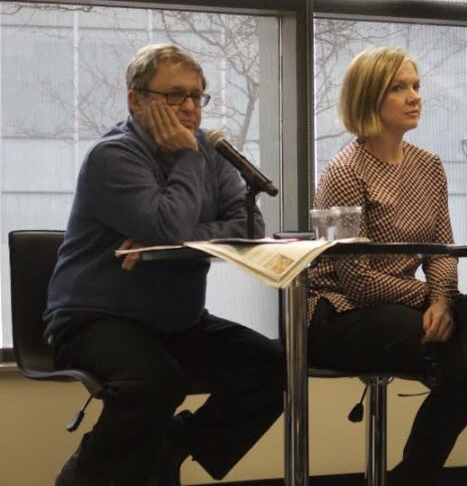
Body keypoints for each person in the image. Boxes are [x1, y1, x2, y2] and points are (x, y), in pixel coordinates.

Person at [308, 46, 467, 486]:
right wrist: (433, 298)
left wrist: (444, 299)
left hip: (399, 307)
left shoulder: (429, 167)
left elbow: (442, 250)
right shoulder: (343, 171)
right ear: (369, 97)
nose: (414, 97)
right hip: (337, 312)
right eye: (399, 88)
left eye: (416, 86)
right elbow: (354, 279)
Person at [44, 43, 286, 486]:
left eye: (197, 96)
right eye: (175, 95)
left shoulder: (212, 153)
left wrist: (184, 233)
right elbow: (168, 223)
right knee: (155, 383)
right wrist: (187, 162)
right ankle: (83, 477)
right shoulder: (113, 157)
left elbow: (249, 228)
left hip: (175, 321)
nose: (190, 108)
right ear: (136, 99)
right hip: (94, 318)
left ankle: (173, 445)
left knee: (271, 366)